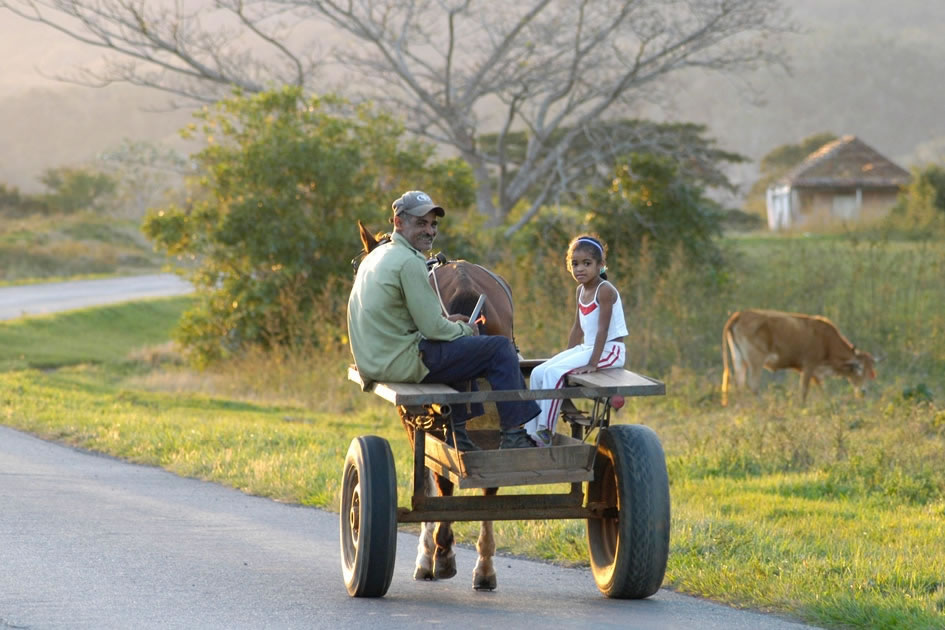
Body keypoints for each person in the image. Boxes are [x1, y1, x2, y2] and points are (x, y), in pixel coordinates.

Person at [347, 190, 539, 450]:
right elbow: (434, 329)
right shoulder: (408, 262)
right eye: (420, 223)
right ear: (398, 222)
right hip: (401, 361)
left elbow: (422, 321)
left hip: (376, 359)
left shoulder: (378, 257)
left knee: (459, 350)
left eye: (433, 224)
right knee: (499, 348)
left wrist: (452, 326)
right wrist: (464, 328)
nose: (429, 231)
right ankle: (514, 436)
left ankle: (458, 434)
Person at [524, 235, 629, 447]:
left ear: (600, 265)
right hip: (589, 347)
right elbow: (577, 327)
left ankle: (546, 431)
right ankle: (530, 430)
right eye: (575, 264)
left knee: (554, 373)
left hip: (610, 350)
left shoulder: (605, 290)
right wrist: (566, 356)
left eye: (587, 264)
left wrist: (592, 363)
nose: (580, 269)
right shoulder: (580, 290)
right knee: (539, 372)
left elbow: (602, 330)